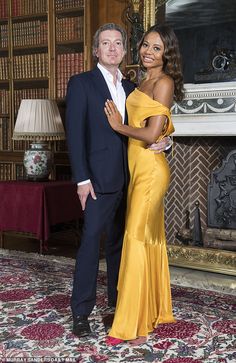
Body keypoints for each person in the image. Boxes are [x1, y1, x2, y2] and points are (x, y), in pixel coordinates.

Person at [65, 23, 171, 338]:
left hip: (133, 180)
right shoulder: (81, 83)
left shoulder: (132, 88)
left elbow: (150, 124)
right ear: (96, 50)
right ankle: (81, 312)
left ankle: (118, 303)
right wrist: (82, 179)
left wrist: (165, 141)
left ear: (124, 51)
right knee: (89, 247)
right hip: (97, 181)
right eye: (105, 43)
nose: (112, 48)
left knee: (118, 247)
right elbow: (75, 136)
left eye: (118, 43)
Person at [104, 24, 184, 345]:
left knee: (136, 238)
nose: (148, 52)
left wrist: (118, 126)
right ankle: (147, 310)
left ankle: (135, 325)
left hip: (151, 171)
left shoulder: (163, 83)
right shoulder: (141, 81)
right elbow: (157, 130)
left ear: (167, 55)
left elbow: (152, 133)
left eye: (156, 48)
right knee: (145, 238)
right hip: (136, 168)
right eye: (146, 45)